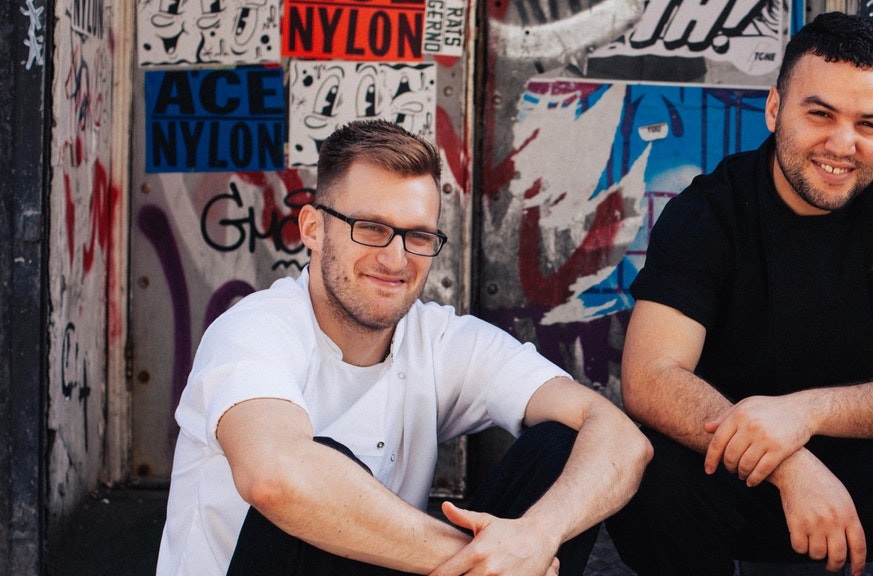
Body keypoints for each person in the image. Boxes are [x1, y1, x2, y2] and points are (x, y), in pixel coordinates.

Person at [606, 12, 873, 576]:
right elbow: (650, 377)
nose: (843, 144)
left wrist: (804, 414)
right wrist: (788, 463)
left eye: (868, 125)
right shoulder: (710, 210)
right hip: (742, 473)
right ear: (776, 108)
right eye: (820, 114)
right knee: (648, 471)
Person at [156, 120, 651, 576]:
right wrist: (488, 559)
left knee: (564, 445)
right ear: (312, 228)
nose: (395, 259)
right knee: (319, 471)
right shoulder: (254, 328)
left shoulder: (438, 340)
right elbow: (276, 479)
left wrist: (537, 537)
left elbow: (621, 438)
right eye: (370, 227)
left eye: (417, 236)